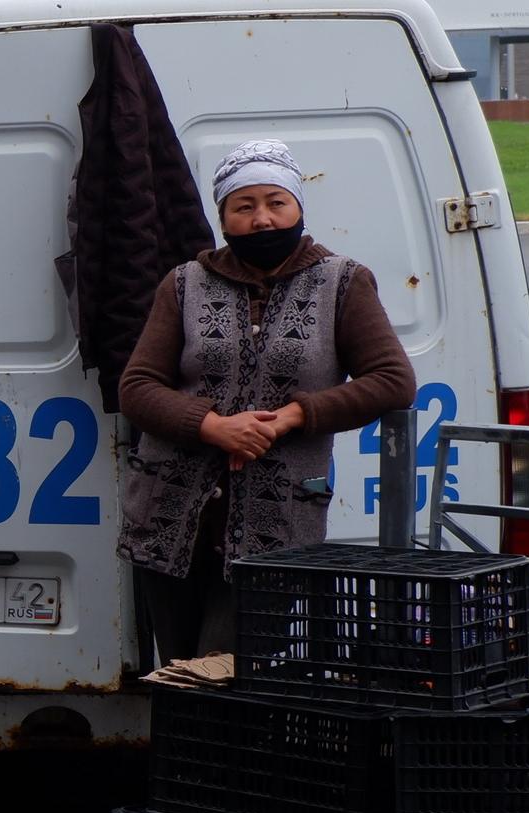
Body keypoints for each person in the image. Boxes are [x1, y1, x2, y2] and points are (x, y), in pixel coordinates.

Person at [117, 138, 415, 661]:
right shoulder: (184, 284)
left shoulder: (342, 282)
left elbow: (392, 379)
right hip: (170, 517)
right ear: (224, 216)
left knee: (235, 675)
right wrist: (211, 426)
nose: (262, 220)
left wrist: (295, 415)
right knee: (180, 677)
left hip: (276, 523)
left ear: (299, 206)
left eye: (276, 202)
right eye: (244, 205)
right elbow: (137, 387)